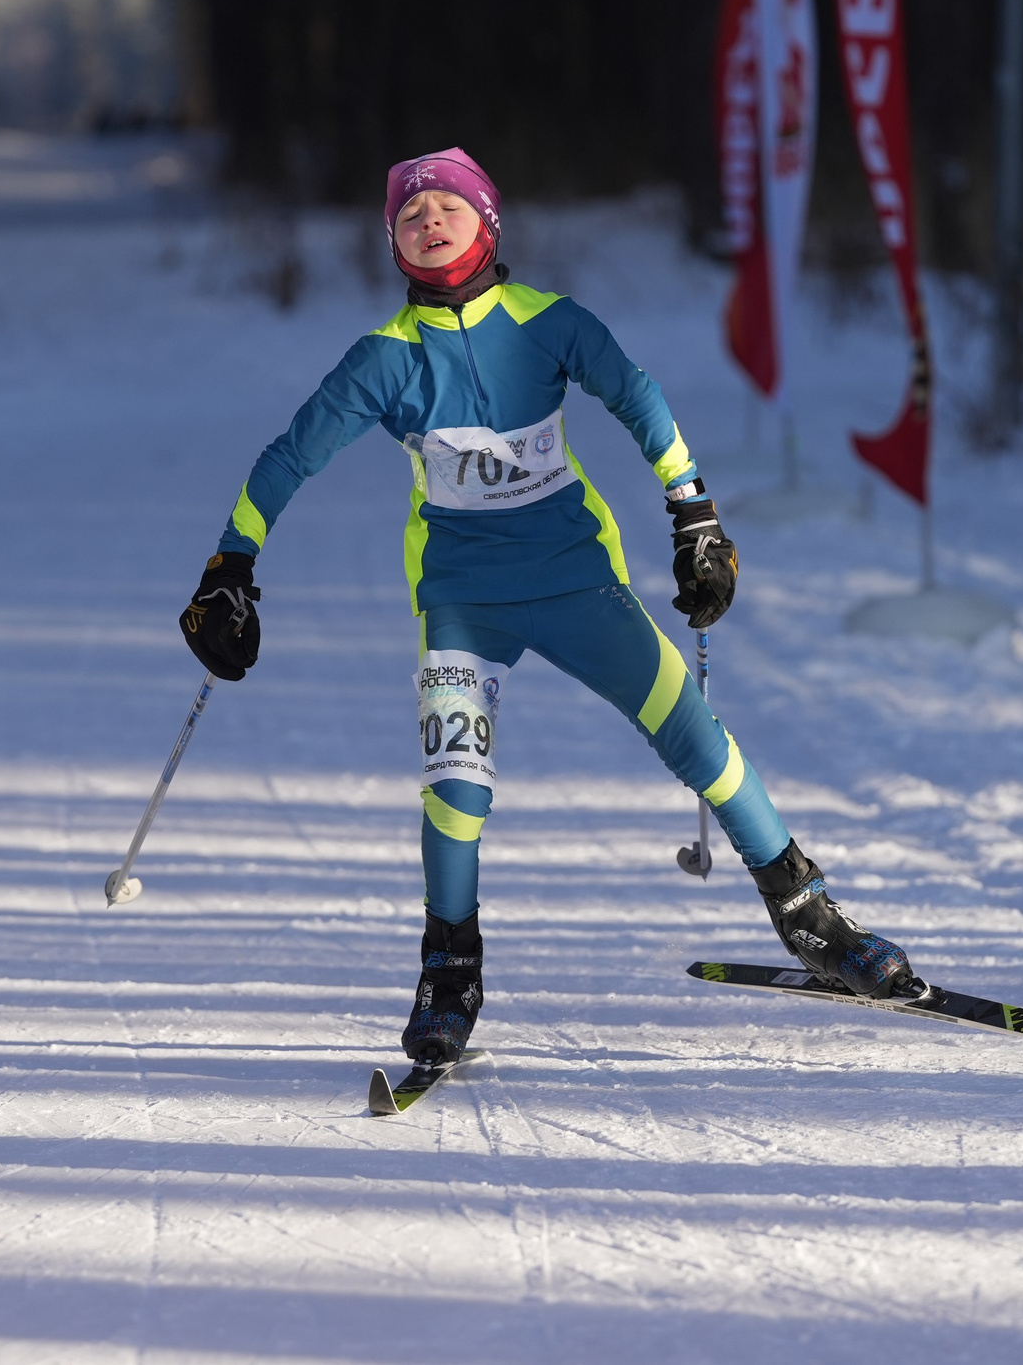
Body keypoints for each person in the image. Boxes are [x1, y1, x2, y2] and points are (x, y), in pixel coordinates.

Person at [179, 148, 915, 1067]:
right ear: (394, 246)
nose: (428, 220)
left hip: (575, 580)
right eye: (409, 215)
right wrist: (230, 563)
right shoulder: (384, 360)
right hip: (463, 599)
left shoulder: (548, 323)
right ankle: (450, 967)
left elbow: (639, 397)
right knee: (456, 785)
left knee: (691, 730)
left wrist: (695, 514)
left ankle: (808, 914)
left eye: (448, 205)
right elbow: (289, 456)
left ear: (488, 224)